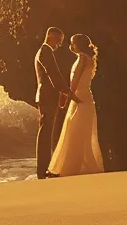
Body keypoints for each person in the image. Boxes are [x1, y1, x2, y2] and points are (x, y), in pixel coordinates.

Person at [49, 34, 105, 177]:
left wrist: (67, 98)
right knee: (79, 134)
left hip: (79, 99)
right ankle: (76, 167)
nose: (70, 45)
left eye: (73, 43)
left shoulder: (81, 58)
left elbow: (75, 82)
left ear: (79, 45)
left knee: (74, 132)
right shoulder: (88, 59)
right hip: (85, 98)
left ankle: (68, 169)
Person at [33, 26, 72, 179]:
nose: (59, 44)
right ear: (50, 36)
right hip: (46, 96)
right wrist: (66, 91)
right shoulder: (45, 51)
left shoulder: (44, 51)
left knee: (47, 133)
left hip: (46, 96)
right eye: (59, 40)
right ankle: (42, 171)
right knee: (45, 133)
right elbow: (53, 73)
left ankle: (45, 169)